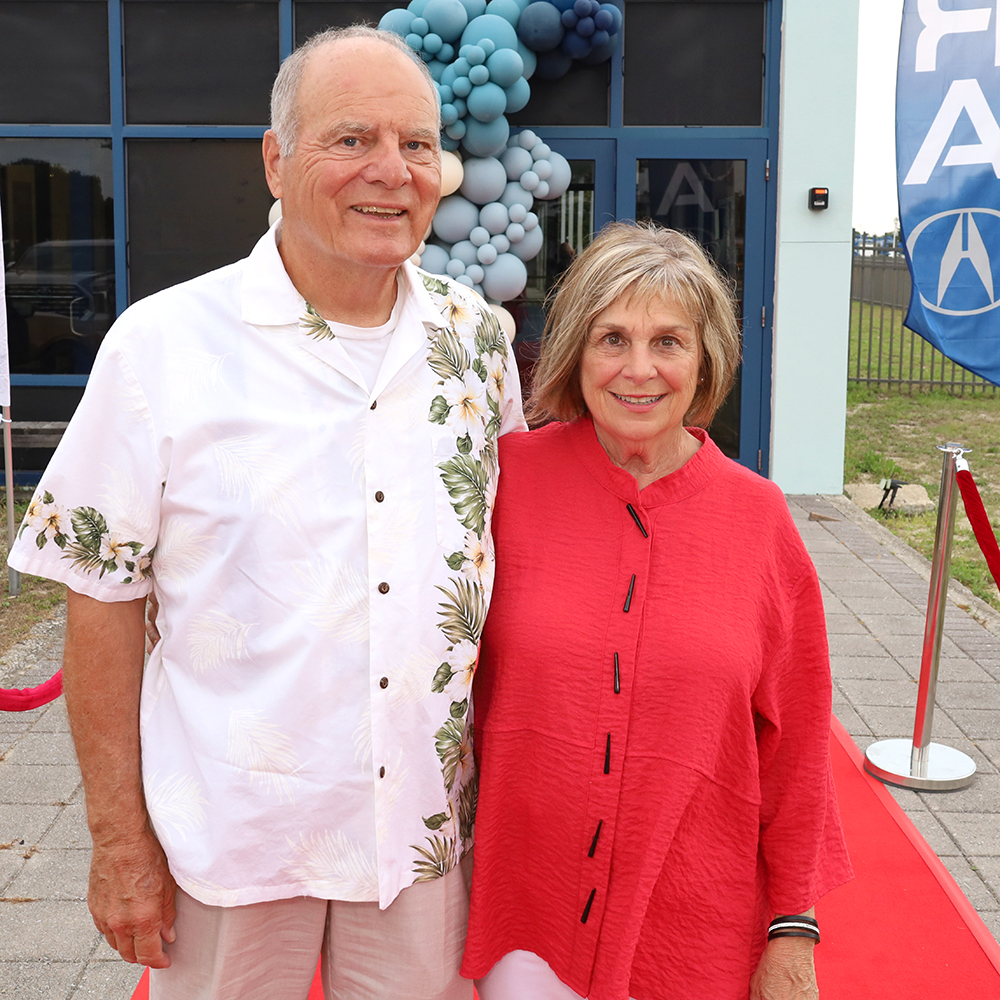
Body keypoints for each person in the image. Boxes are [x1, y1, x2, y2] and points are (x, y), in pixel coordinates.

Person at [8, 25, 525, 1000]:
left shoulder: (478, 342)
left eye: (416, 144)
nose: (392, 170)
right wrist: (119, 842)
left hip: (419, 838)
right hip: (231, 843)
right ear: (275, 161)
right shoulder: (161, 348)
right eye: (352, 139)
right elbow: (99, 599)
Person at [460, 222, 852, 1000]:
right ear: (575, 352)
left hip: (694, 915)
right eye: (613, 339)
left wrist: (792, 928)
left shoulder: (758, 517)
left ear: (705, 360)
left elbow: (799, 746)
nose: (639, 369)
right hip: (526, 909)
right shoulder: (505, 483)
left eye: (668, 341)